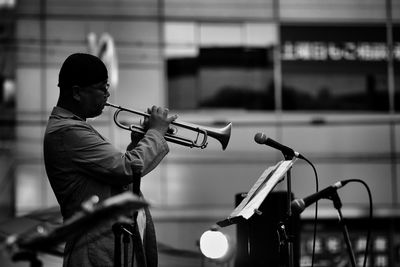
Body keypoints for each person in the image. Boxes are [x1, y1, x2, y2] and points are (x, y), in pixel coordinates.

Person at [43, 53, 177, 267]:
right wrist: (156, 133)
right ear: (77, 92)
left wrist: (139, 142)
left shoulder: (75, 127)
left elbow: (115, 179)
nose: (107, 93)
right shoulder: (67, 131)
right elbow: (126, 168)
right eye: (102, 87)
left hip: (106, 247)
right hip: (94, 252)